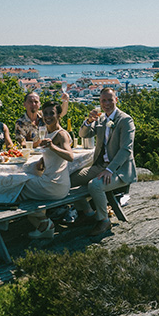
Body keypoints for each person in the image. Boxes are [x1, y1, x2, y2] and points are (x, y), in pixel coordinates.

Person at [70, 87, 137, 235]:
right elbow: (83, 134)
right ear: (99, 102)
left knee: (95, 185)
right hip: (100, 166)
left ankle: (104, 221)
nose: (106, 103)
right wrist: (88, 121)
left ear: (116, 100)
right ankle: (87, 213)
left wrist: (110, 169)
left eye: (109, 100)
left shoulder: (125, 120)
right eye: (103, 100)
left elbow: (126, 149)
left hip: (119, 170)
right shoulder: (100, 118)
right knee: (69, 180)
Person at [15, 101, 74, 239]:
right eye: (45, 113)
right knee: (20, 186)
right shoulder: (47, 131)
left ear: (59, 115)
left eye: (51, 113)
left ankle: (44, 224)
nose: (47, 117)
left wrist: (52, 147)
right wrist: (43, 159)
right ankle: (43, 224)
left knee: (17, 188)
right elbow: (53, 155)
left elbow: (70, 156)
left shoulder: (61, 135)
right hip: (55, 183)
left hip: (55, 185)